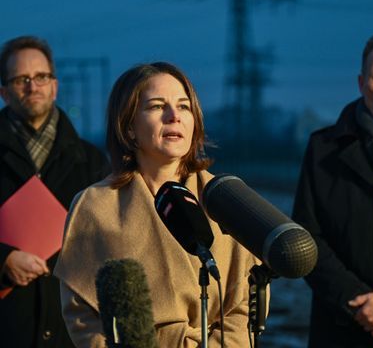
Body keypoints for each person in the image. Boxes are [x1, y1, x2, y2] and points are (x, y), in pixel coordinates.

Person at [54, 61, 264, 347]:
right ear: (129, 126)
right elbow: (82, 315)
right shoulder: (95, 205)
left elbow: (244, 308)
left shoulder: (226, 198)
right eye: (156, 106)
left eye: (184, 106)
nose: (174, 116)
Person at [0, 35, 110, 348]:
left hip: (73, 332)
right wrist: (3, 260)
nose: (32, 86)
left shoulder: (91, 161)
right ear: (4, 93)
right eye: (21, 79)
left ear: (54, 85)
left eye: (41, 77)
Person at [292, 33, 373, 348]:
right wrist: (357, 302)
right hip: (339, 330)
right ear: (360, 81)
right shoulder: (323, 150)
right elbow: (307, 237)